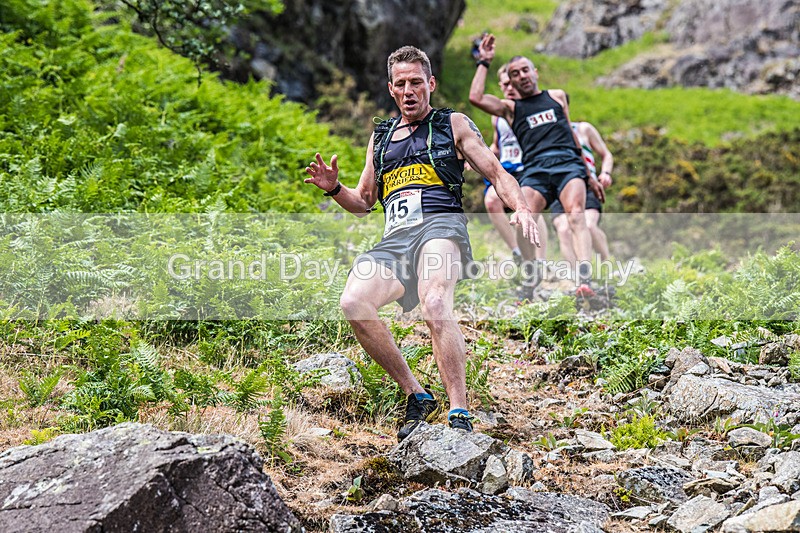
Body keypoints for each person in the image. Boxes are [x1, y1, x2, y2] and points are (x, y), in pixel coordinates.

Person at [305, 45, 539, 441]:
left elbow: (496, 173)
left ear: (430, 84)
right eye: (401, 84)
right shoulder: (380, 139)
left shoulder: (454, 124)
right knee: (353, 302)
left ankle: (459, 409)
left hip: (440, 225)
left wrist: (520, 206)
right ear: (391, 89)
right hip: (396, 237)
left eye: (416, 82)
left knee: (434, 301)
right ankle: (416, 393)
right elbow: (363, 202)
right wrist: (334, 189)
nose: (409, 90)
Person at [469, 34, 604, 296]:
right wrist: (483, 62)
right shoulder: (511, 108)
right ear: (512, 80)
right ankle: (532, 276)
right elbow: (476, 97)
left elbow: (572, 135)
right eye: (515, 73)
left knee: (576, 214)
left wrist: (590, 175)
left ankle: (584, 279)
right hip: (536, 169)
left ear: (535, 71)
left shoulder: (557, 97)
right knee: (522, 219)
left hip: (568, 164)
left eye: (525, 70)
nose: (522, 76)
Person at [482, 65, 549, 274]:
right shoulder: (498, 114)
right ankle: (518, 252)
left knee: (532, 210)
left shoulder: (530, 107)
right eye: (505, 84)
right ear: (501, 86)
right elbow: (498, 144)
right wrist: (476, 157)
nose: (509, 87)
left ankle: (541, 258)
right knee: (491, 200)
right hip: (508, 167)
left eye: (512, 83)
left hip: (529, 165)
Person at [551, 120, 614, 267]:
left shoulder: (583, 128)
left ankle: (607, 268)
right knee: (564, 230)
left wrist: (605, 173)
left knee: (590, 225)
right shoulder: (544, 130)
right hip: (559, 186)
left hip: (587, 184)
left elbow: (606, 154)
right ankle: (579, 280)